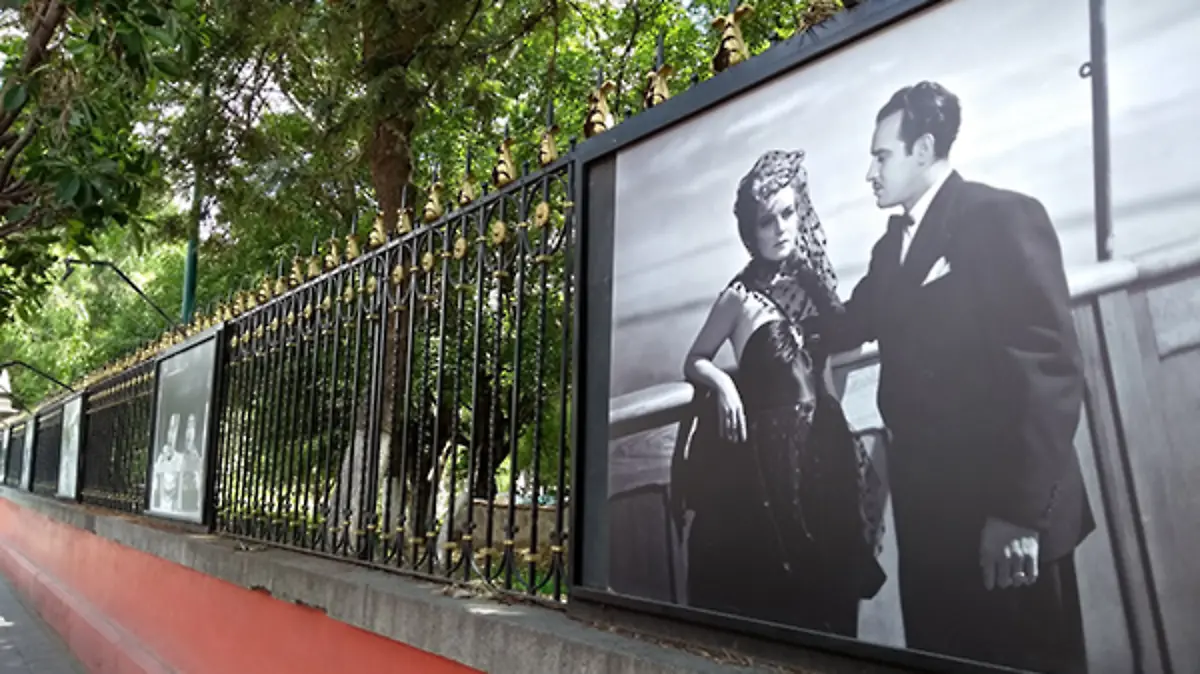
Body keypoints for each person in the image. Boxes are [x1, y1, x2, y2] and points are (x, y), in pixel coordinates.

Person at [809, 81, 1093, 672]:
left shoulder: (1001, 217)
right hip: (934, 529)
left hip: (1005, 523)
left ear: (923, 150)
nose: (869, 174)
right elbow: (849, 323)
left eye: (881, 156)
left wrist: (1017, 516)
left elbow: (1049, 367)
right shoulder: (892, 249)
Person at [673, 149, 884, 636]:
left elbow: (843, 334)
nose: (781, 229)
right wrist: (724, 384)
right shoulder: (738, 297)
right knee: (785, 591)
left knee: (834, 587)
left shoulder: (812, 284)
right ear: (751, 230)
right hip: (771, 462)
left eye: (788, 214)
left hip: (825, 452)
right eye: (767, 221)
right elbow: (696, 358)